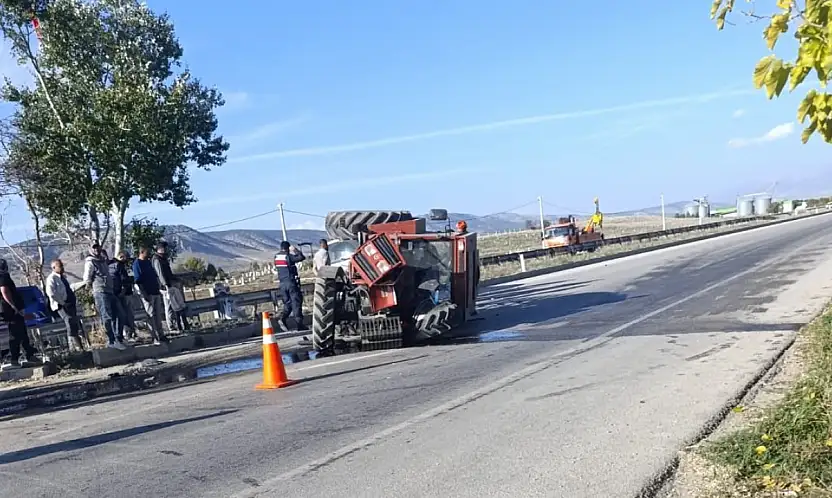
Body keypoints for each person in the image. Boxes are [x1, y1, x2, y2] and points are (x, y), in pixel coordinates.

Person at [83, 243, 127, 350]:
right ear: (90, 250)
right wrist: (89, 289)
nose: (96, 249)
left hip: (110, 291)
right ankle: (111, 341)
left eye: (97, 247)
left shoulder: (103, 260)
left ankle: (118, 338)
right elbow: (87, 277)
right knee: (106, 316)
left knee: (120, 314)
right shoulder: (90, 262)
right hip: (100, 291)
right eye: (94, 248)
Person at [0, 259, 41, 369]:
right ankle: (14, 359)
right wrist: (13, 306)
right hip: (12, 310)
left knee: (22, 333)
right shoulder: (3, 277)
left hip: (13, 309)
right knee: (15, 334)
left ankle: (29, 355)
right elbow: (5, 291)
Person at [45, 259, 86, 352]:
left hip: (70, 304)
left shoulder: (63, 278)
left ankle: (79, 347)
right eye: (60, 266)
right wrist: (62, 303)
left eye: (62, 266)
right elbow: (51, 293)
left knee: (74, 323)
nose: (62, 268)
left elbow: (69, 288)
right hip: (61, 305)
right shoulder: (51, 278)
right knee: (69, 321)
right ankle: (74, 347)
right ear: (54, 267)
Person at [132, 246, 168, 345]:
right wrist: (144, 294)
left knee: (158, 315)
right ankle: (155, 336)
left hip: (155, 291)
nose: (148, 255)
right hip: (148, 293)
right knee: (151, 315)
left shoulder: (148, 262)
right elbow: (138, 281)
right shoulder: (137, 264)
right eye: (146, 253)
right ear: (141, 252)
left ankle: (161, 334)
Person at [152, 241, 190, 333]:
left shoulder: (163, 258)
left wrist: (175, 279)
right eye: (163, 248)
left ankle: (179, 324)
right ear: (159, 249)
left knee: (176, 305)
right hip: (165, 287)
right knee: (169, 306)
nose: (165, 250)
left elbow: (168, 273)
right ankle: (171, 326)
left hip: (170, 284)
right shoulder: (157, 259)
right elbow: (160, 274)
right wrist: (166, 285)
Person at [274, 241, 307, 331]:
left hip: (282, 284)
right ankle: (299, 325)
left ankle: (282, 318)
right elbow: (301, 257)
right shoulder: (288, 256)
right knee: (296, 302)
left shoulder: (276, 257)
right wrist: (295, 250)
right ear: (288, 248)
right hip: (291, 283)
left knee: (287, 303)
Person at [110, 251, 137, 341]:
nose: (127, 260)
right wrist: (124, 289)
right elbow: (122, 280)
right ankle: (128, 334)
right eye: (126, 258)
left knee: (129, 315)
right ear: (121, 257)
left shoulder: (120, 266)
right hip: (123, 294)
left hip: (126, 293)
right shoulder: (117, 265)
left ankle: (131, 333)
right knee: (126, 315)